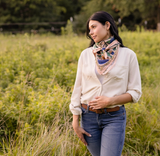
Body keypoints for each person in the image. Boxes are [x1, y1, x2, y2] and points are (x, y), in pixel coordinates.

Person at [69, 11, 142, 156]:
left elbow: (136, 92)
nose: (91, 32)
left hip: (114, 117)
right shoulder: (86, 55)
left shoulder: (128, 55)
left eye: (94, 27)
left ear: (107, 25)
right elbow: (78, 88)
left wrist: (110, 100)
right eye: (89, 29)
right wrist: (75, 121)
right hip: (88, 117)